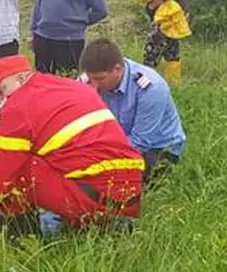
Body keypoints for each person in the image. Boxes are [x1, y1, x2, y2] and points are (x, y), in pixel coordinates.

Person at [0, 55, 144, 234]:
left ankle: (20, 228)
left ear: (22, 78)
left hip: (91, 198)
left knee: (21, 164)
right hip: (132, 193)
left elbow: (0, 180)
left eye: (1, 91)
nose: (0, 103)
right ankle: (102, 222)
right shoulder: (71, 87)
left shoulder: (17, 106)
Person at [78, 38, 185, 185]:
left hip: (155, 148)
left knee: (112, 184)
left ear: (117, 69)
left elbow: (140, 143)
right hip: (110, 144)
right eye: (91, 79)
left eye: (100, 79)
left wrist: (98, 156)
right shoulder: (87, 81)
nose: (94, 85)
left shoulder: (150, 89)